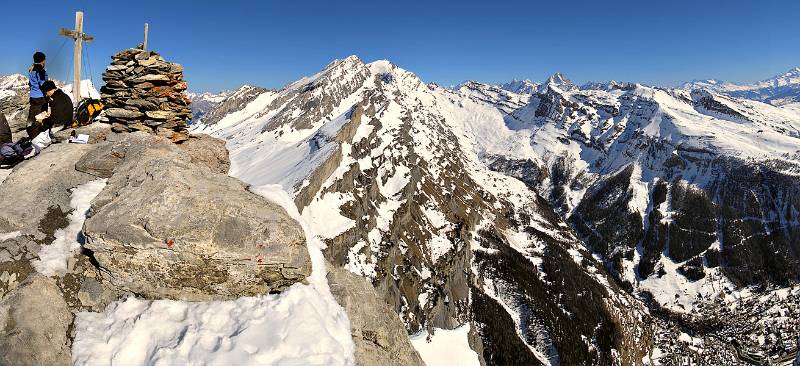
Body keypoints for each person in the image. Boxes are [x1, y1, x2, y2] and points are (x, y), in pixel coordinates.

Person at [27, 52, 48, 126]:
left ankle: (30, 129)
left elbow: (29, 83)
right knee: (42, 116)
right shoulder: (41, 70)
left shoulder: (31, 70)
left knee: (33, 114)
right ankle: (40, 131)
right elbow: (42, 83)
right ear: (42, 60)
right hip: (40, 96)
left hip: (33, 96)